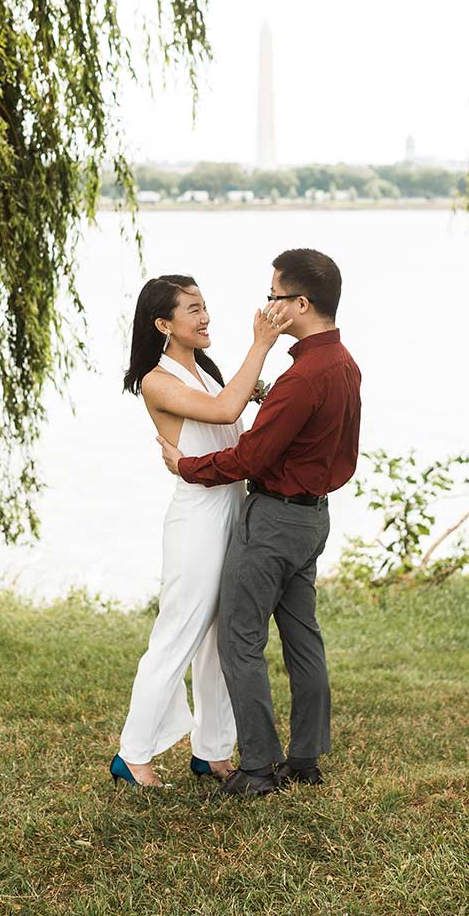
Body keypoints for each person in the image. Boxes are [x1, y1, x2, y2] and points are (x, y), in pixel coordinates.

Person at [158, 248, 361, 796]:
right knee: (303, 639)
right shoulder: (342, 364)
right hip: (313, 520)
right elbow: (335, 447)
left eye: (273, 295)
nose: (266, 304)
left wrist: (187, 466)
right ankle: (306, 760)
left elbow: (249, 458)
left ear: (298, 303)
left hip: (271, 522)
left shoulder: (304, 376)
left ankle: (256, 768)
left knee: (239, 640)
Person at [109, 274, 292, 787]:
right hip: (198, 521)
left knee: (221, 640)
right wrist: (261, 345)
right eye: (192, 309)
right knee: (178, 636)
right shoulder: (155, 379)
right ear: (163, 324)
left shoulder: (206, 372)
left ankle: (211, 751)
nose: (205, 316)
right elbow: (224, 411)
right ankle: (133, 753)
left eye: (205, 306)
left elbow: (234, 407)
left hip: (235, 511)